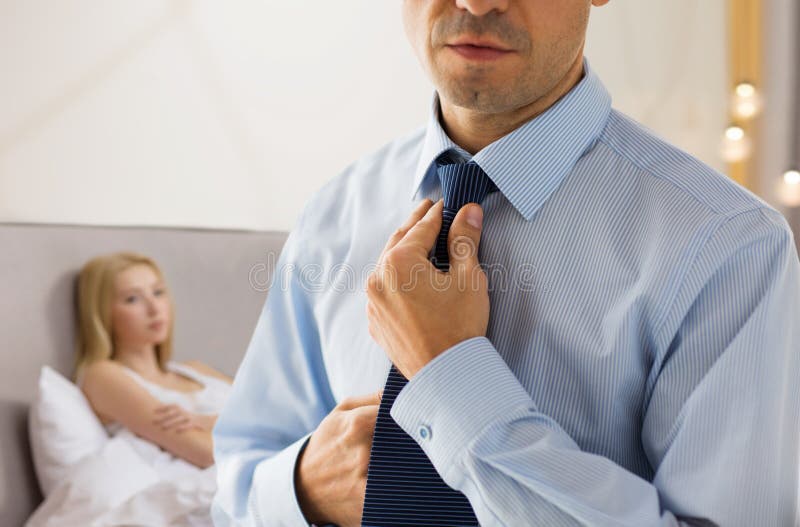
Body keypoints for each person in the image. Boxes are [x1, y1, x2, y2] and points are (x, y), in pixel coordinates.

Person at [212, 1, 800, 526]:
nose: (476, 1)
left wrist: (448, 372)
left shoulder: (729, 248)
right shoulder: (335, 210)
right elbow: (237, 480)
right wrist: (301, 490)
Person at [74, 251, 233, 469]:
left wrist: (209, 422)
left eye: (158, 293)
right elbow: (209, 453)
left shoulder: (195, 369)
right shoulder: (103, 376)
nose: (154, 308)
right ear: (103, 314)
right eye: (132, 299)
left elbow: (287, 414)